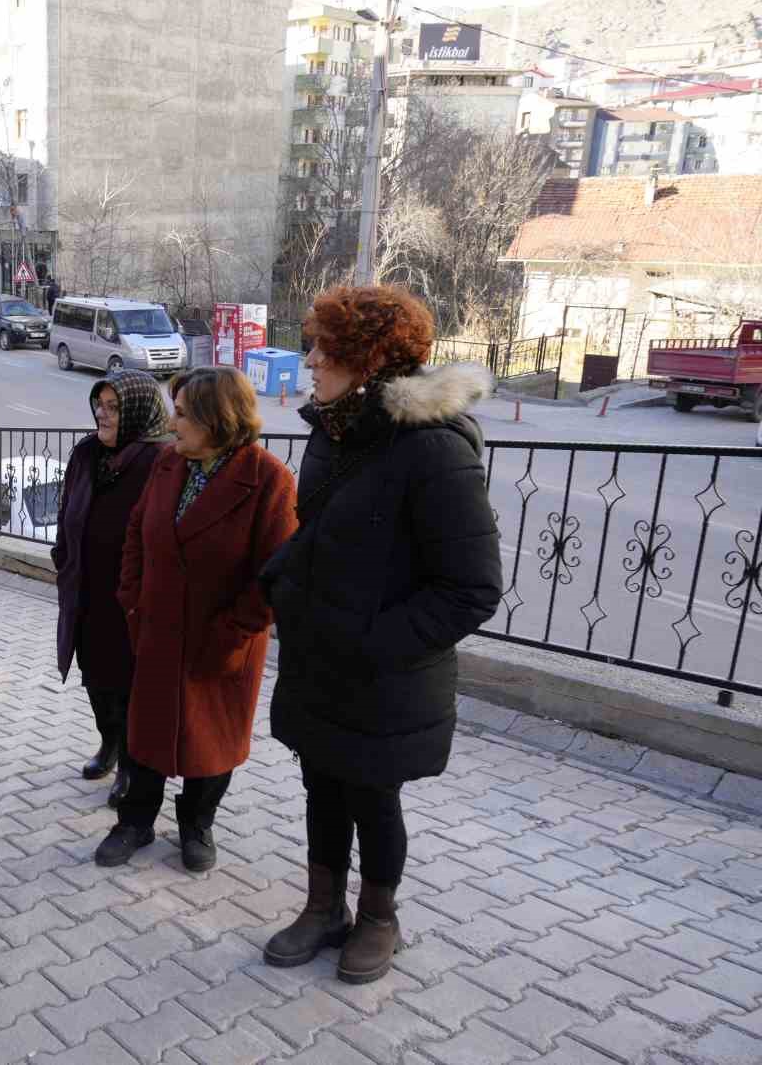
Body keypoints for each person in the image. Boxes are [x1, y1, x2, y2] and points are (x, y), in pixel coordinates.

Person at [260, 285, 500, 984]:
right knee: (320, 788)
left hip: (384, 674)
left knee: (372, 798)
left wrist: (372, 644)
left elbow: (472, 589)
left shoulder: (433, 451)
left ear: (365, 360)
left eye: (322, 349)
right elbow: (321, 532)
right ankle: (322, 907)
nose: (308, 360)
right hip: (319, 662)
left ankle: (378, 919)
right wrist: (279, 579)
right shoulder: (334, 432)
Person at [94, 367, 297, 872]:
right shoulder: (169, 462)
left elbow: (274, 573)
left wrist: (233, 633)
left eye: (181, 413)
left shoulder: (269, 479)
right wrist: (132, 600)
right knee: (146, 736)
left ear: (215, 418)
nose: (172, 421)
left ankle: (196, 825)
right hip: (158, 630)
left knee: (212, 742)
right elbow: (138, 532)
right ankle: (135, 822)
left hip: (222, 640)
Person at [52, 370, 169, 807]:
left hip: (132, 596)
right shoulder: (86, 454)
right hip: (87, 588)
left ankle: (131, 768)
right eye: (99, 404)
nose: (102, 413)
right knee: (95, 678)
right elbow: (68, 509)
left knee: (130, 685)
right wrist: (63, 557)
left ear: (137, 409)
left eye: (113, 406)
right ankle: (109, 743)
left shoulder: (161, 459)